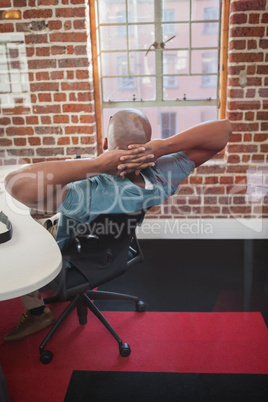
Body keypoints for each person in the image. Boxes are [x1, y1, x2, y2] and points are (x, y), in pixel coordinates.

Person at [3, 109, 232, 341]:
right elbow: (223, 130)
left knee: (24, 232)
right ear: (147, 144)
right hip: (113, 253)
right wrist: (161, 147)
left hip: (70, 261)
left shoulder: (89, 191)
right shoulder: (164, 175)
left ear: (105, 144)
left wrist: (96, 164)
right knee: (44, 214)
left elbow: (15, 184)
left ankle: (37, 313)